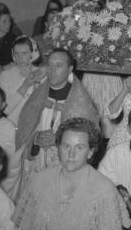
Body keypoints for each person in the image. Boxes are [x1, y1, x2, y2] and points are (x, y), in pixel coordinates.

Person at [13, 117, 131, 230]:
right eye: (66, 146)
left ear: (90, 152)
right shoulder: (39, 182)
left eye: (79, 147)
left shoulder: (105, 190)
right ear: (58, 148)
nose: (71, 154)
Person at [15, 48, 99, 191]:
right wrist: (35, 139)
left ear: (70, 69)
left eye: (58, 65)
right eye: (50, 65)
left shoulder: (81, 103)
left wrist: (59, 140)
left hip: (65, 169)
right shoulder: (36, 97)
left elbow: (91, 141)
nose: (52, 70)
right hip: (37, 167)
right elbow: (23, 132)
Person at [0, 36, 46, 127]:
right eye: (16, 54)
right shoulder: (5, 76)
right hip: (12, 125)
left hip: (37, 126)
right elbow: (5, 109)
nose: (20, 58)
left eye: (24, 53)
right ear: (13, 54)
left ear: (33, 53)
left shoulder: (41, 74)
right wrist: (25, 85)